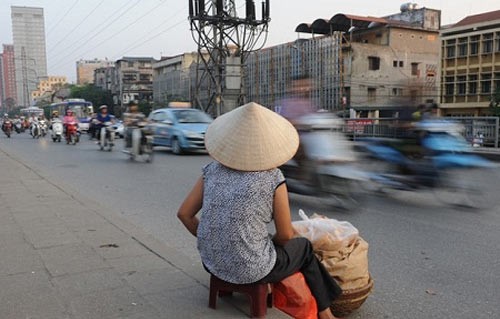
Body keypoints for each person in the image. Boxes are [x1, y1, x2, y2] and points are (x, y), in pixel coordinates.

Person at [177, 102, 342, 319]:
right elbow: (285, 235)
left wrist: (214, 240)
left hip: (212, 263)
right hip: (254, 270)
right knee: (303, 248)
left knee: (268, 243)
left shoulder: (211, 171)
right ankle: (326, 313)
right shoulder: (273, 178)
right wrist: (271, 246)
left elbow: (184, 214)